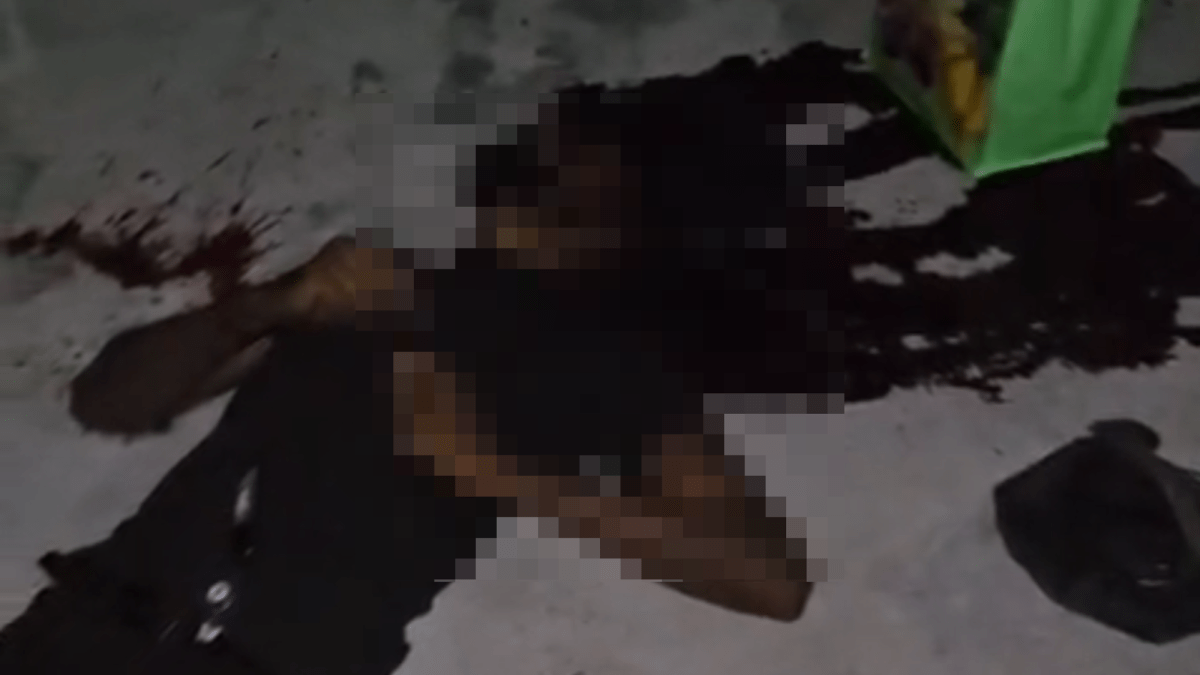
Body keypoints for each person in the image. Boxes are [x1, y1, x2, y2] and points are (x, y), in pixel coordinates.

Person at [0, 112, 813, 673]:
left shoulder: (613, 370)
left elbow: (772, 582)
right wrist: (264, 305)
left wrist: (495, 466)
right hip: (76, 639)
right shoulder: (372, 284)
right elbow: (106, 402)